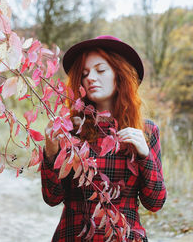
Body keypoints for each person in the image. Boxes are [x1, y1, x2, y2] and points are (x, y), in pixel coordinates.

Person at [41, 35, 167, 242]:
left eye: (100, 70)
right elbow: (52, 198)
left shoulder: (146, 131)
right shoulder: (69, 129)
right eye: (84, 74)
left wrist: (144, 155)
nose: (90, 78)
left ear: (120, 75)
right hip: (74, 236)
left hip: (124, 237)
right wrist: (51, 152)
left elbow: (155, 202)